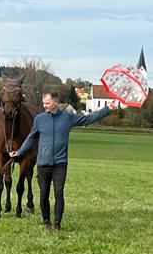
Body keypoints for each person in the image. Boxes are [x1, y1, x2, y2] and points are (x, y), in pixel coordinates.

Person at [9, 91, 118, 231]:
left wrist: (108, 108)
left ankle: (57, 223)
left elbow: (89, 119)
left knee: (59, 193)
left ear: (56, 102)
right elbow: (31, 138)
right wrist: (19, 152)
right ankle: (47, 221)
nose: (45, 106)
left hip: (60, 164)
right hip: (43, 164)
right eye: (44, 103)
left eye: (47, 103)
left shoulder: (68, 118)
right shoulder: (39, 119)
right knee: (43, 195)